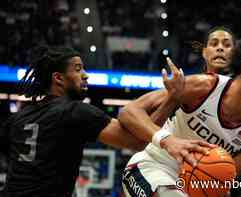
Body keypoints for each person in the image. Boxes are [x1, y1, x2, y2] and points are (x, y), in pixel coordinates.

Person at [0, 46, 209, 197]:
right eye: (78, 69)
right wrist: (172, 98)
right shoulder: (74, 111)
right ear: (58, 78)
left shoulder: (19, 117)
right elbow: (135, 141)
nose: (86, 75)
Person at [119, 33, 241, 197]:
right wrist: (167, 140)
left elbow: (227, 179)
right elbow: (129, 111)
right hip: (152, 167)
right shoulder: (203, 87)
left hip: (192, 189)